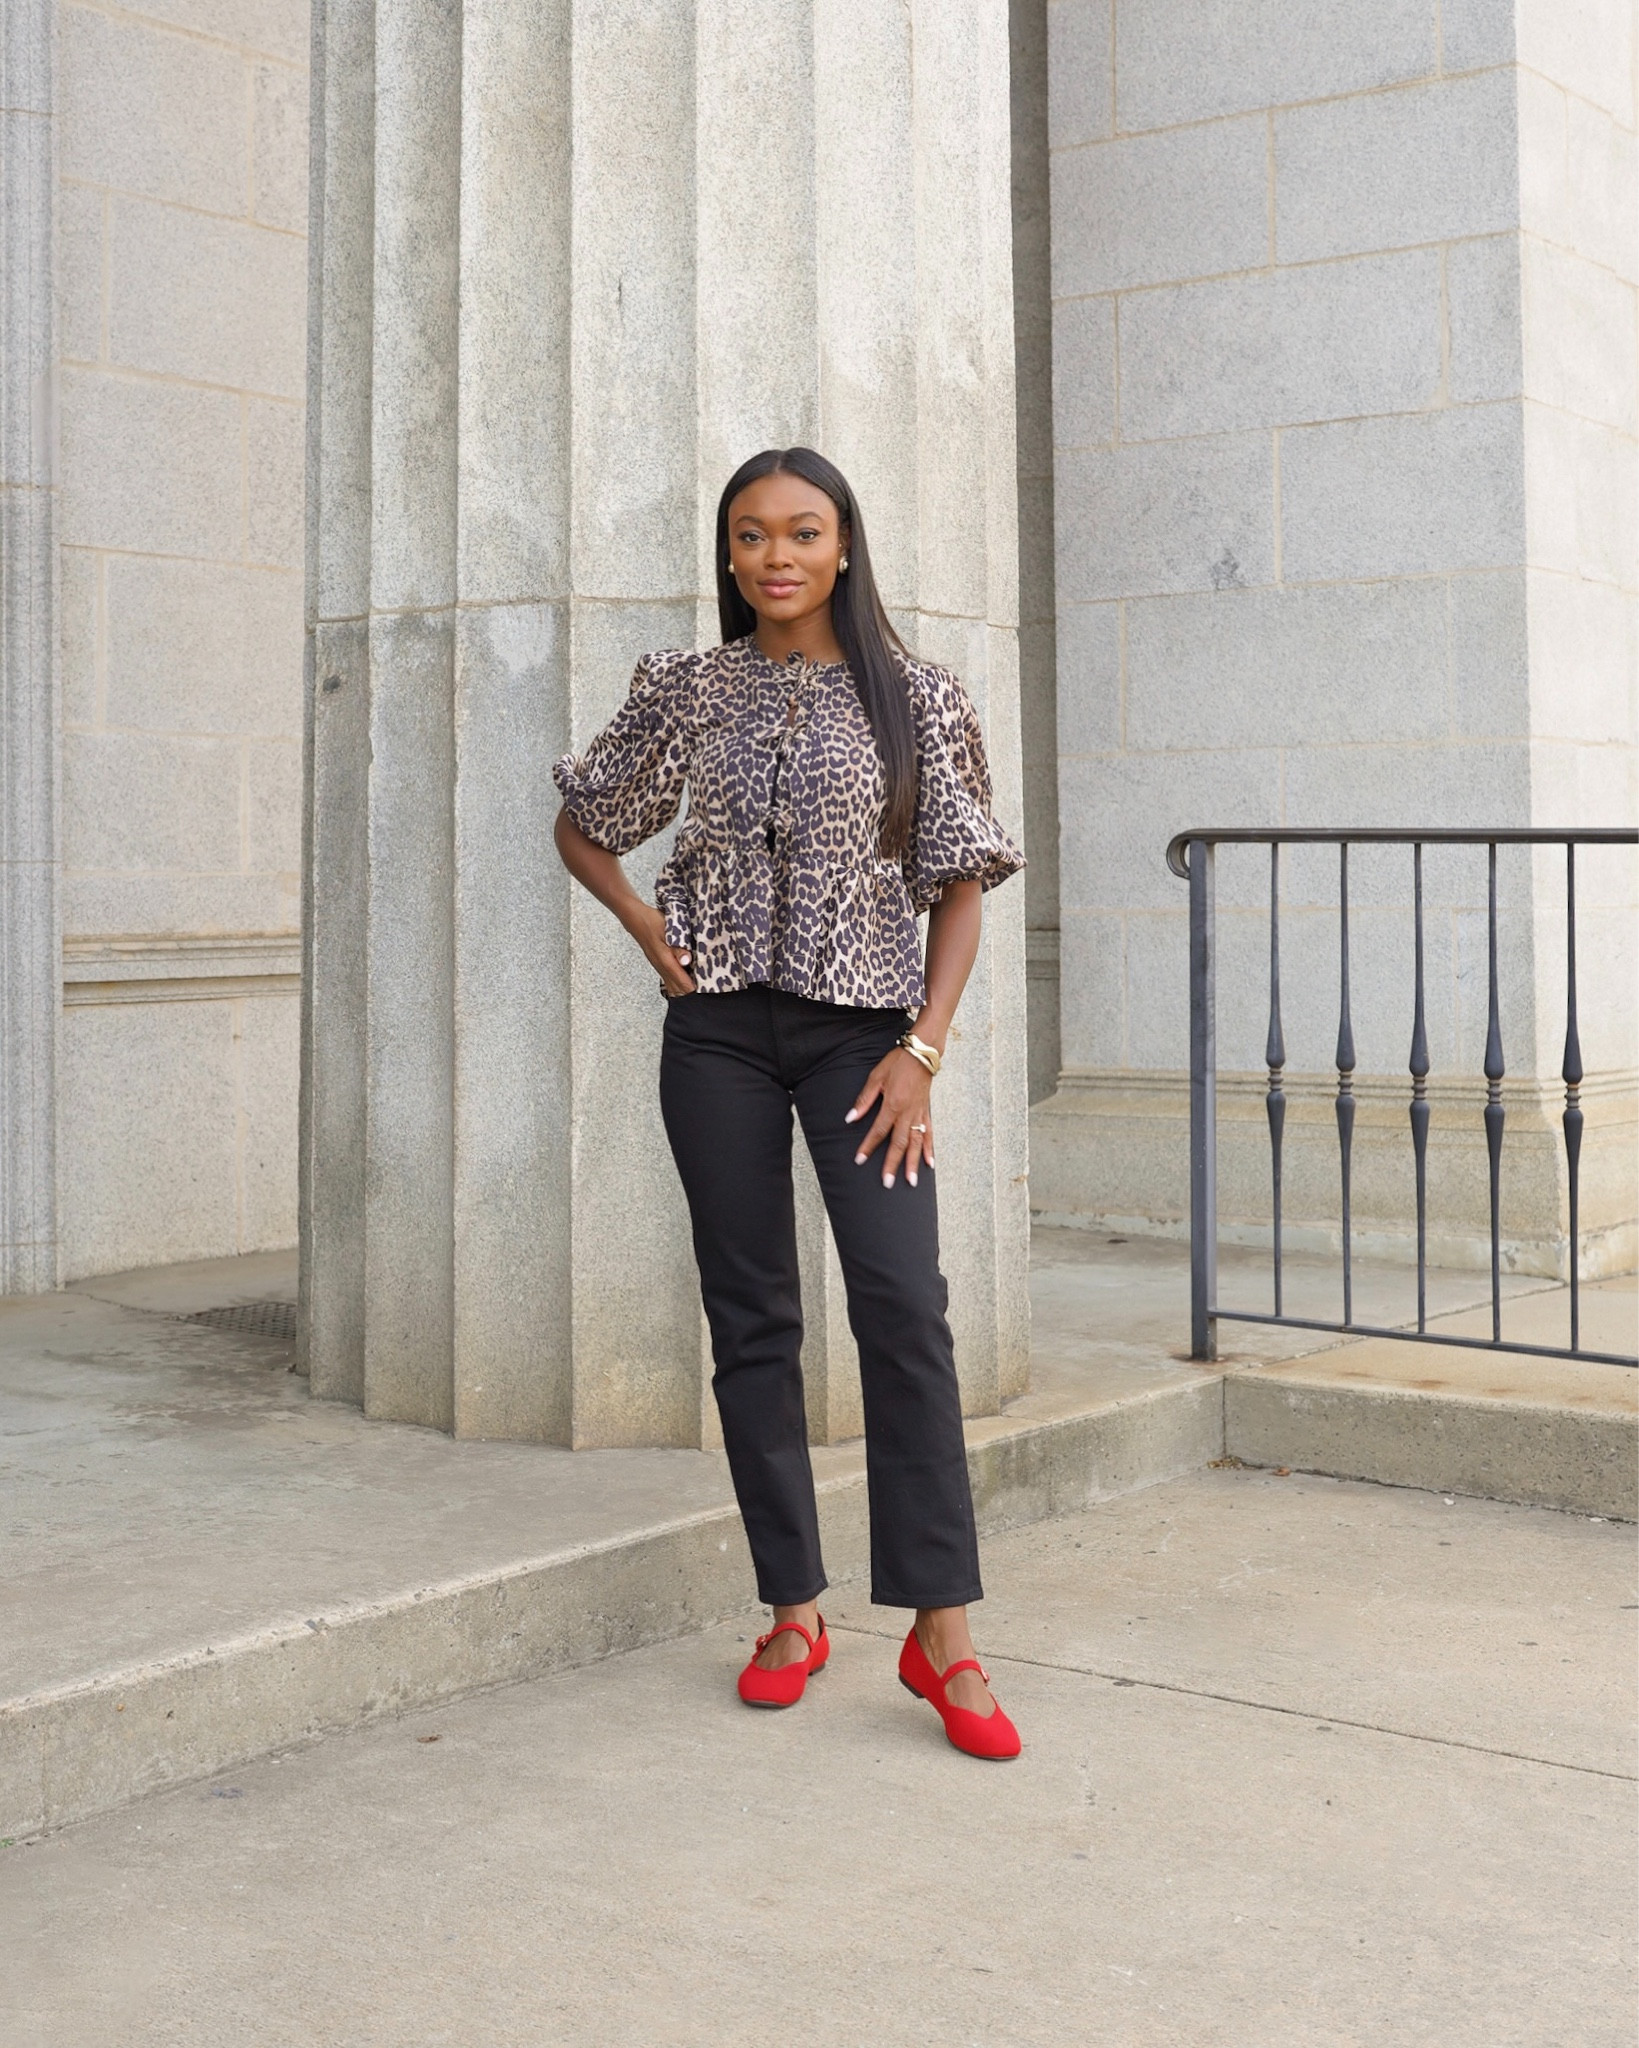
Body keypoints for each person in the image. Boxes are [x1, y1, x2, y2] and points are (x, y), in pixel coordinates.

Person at [551, 447, 1026, 1760]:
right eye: (752, 534)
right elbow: (587, 821)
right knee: (750, 1314)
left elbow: (962, 883)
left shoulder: (918, 697)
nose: (776, 556)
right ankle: (792, 1611)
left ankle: (944, 1635)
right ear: (730, 552)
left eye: (803, 532)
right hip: (716, 1039)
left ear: (844, 545)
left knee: (903, 1307)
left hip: (863, 1042)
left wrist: (921, 1051)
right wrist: (649, 930)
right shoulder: (686, 689)